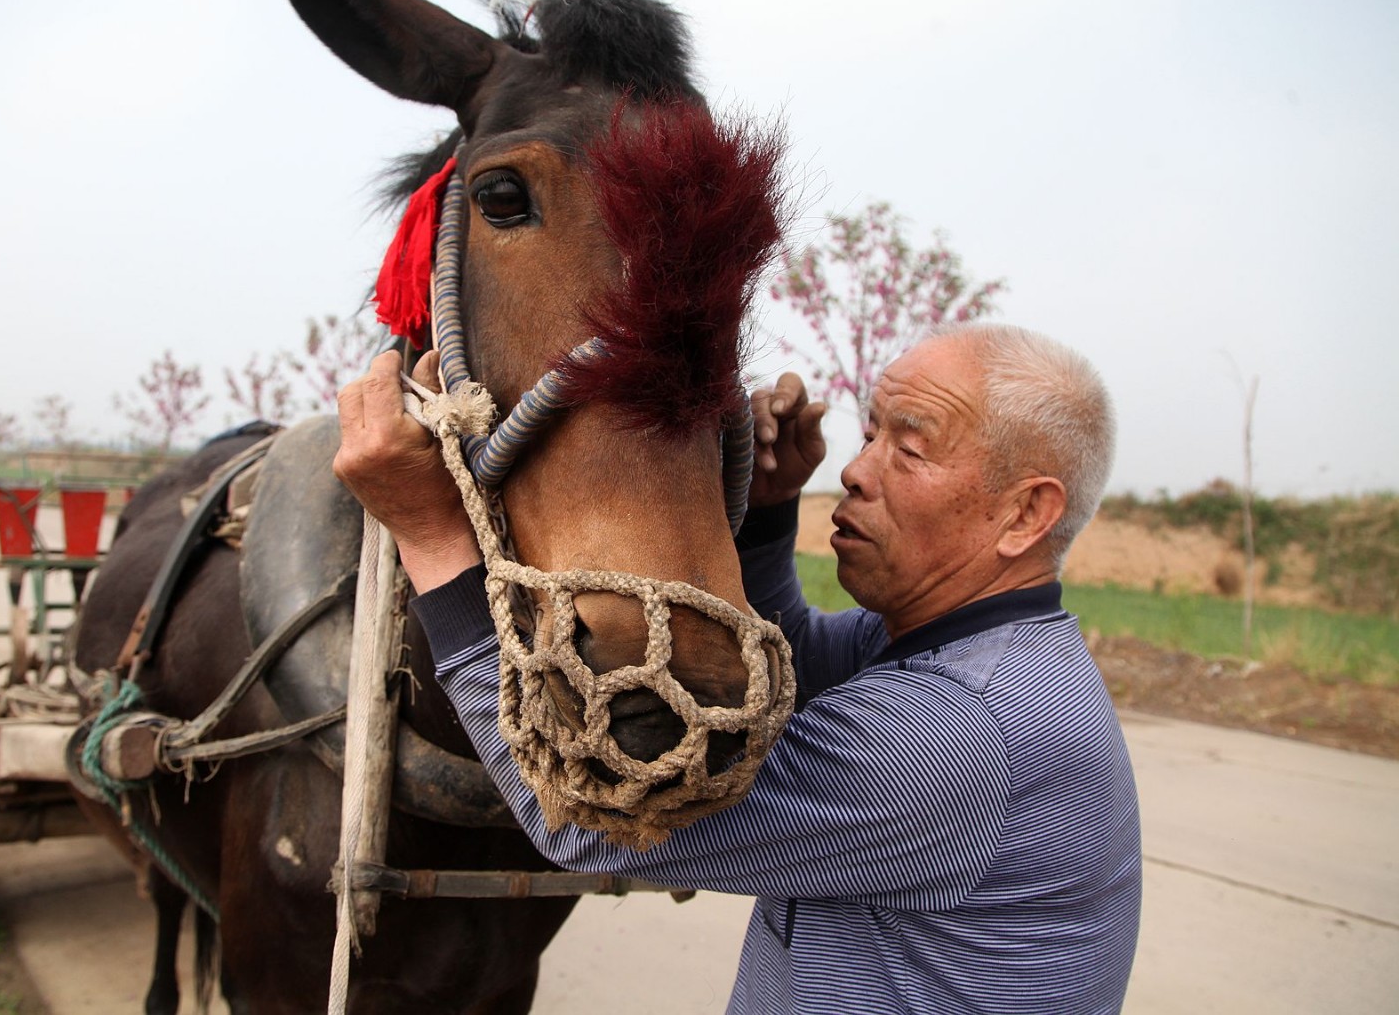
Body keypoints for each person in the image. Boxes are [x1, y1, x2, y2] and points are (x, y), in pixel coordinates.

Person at [334, 322, 1141, 1014]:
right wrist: (767, 510)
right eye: (869, 436)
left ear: (1025, 513)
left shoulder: (963, 732)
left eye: (912, 446)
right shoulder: (958, 652)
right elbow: (786, 660)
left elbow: (587, 813)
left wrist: (435, 541)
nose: (856, 472)